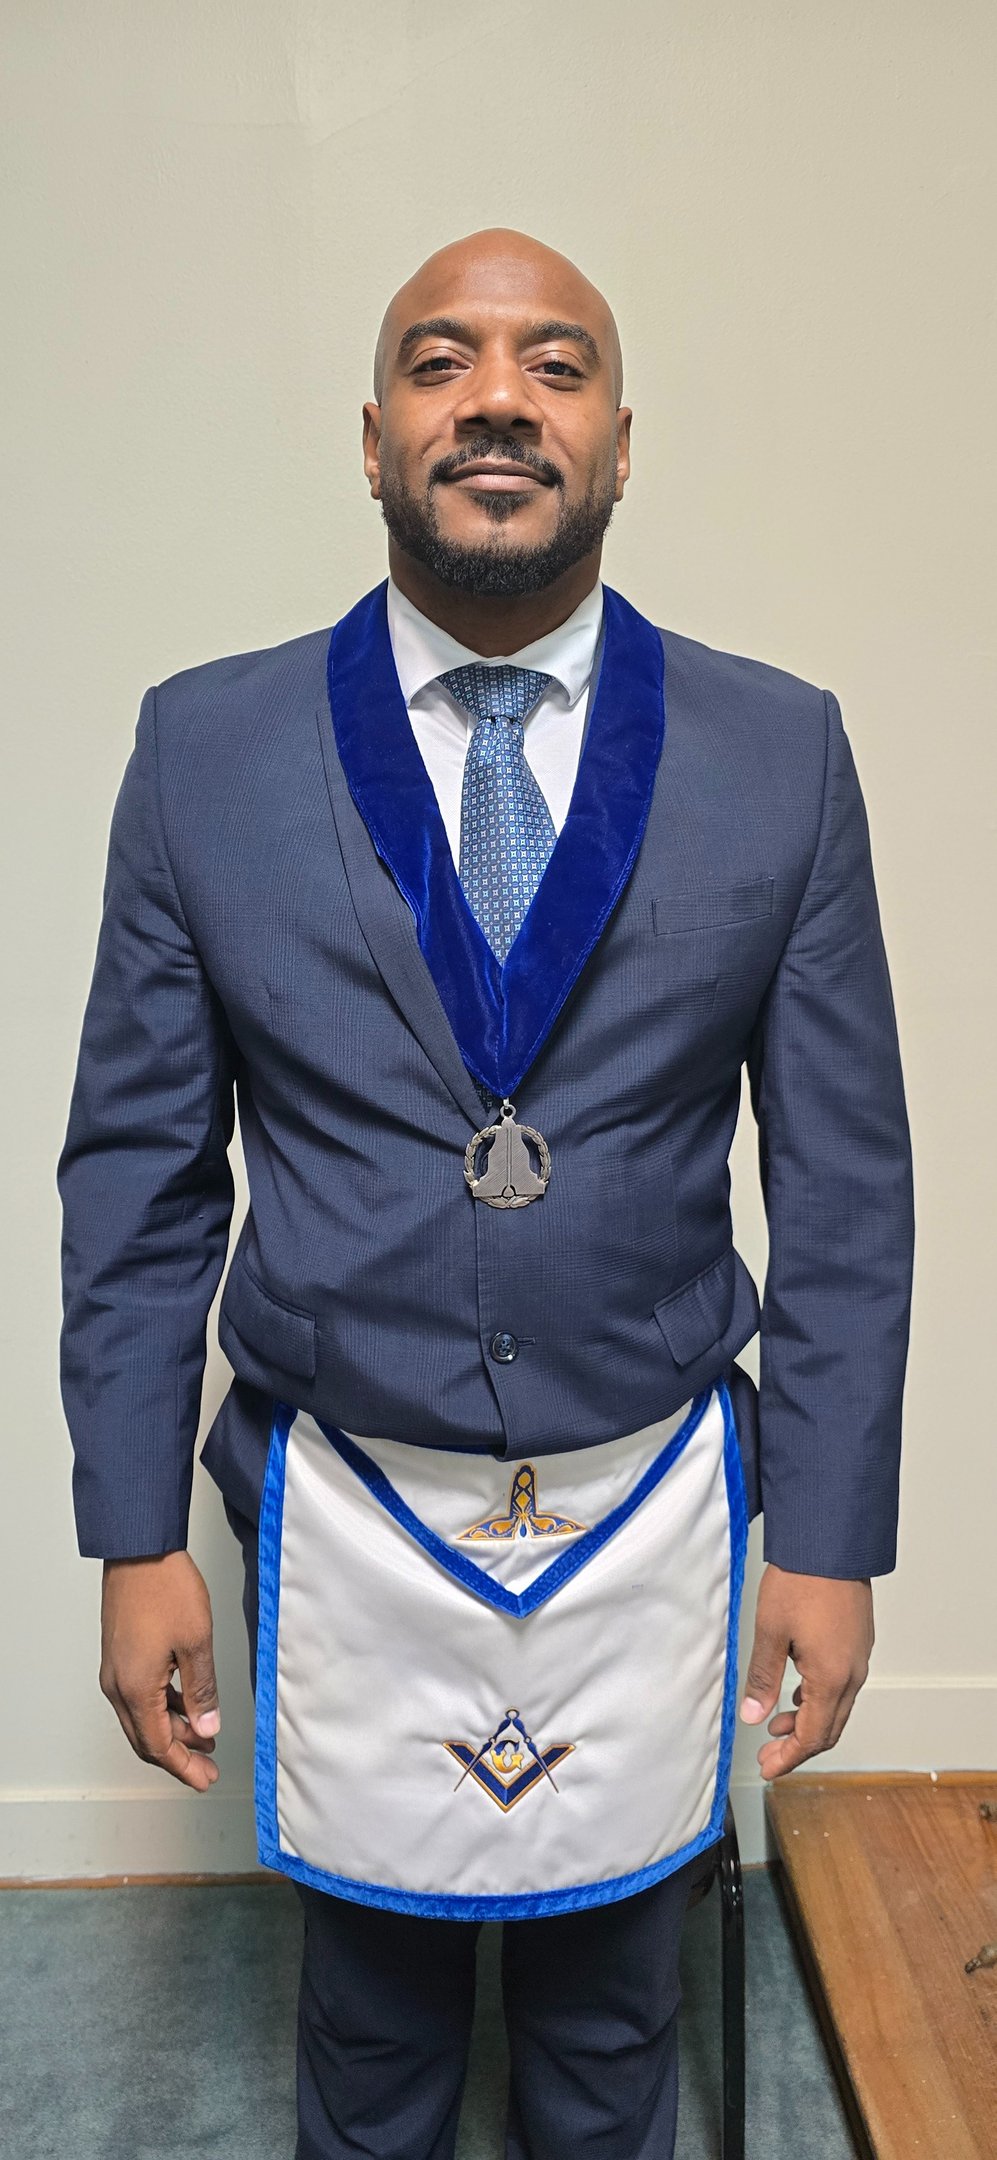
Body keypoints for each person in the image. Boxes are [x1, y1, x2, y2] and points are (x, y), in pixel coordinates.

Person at [58, 227, 914, 2160]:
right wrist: (130, 1530)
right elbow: (138, 1173)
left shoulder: (779, 750)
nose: (498, 401)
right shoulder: (205, 747)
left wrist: (832, 1534)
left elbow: (846, 1182)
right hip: (342, 1491)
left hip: (648, 1497)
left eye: (554, 364)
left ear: (619, 441)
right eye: (441, 363)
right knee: (367, 2034)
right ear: (373, 439)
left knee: (614, 2030)